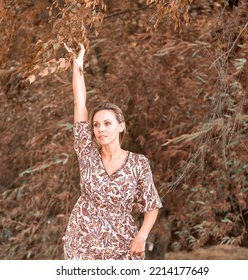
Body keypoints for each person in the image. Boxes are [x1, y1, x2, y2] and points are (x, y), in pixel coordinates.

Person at [62, 43, 163, 260]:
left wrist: (142, 236)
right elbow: (80, 103)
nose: (100, 129)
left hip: (122, 242)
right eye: (96, 125)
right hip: (82, 241)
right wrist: (77, 64)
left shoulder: (138, 163)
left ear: (121, 126)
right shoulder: (87, 154)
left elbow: (152, 205)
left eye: (107, 123)